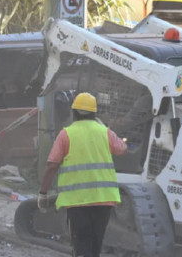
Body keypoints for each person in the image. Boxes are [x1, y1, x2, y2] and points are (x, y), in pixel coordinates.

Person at [38, 92, 127, 257]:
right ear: (94, 113)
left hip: (77, 200)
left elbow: (51, 166)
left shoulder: (66, 134)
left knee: (81, 241)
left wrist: (43, 194)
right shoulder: (105, 132)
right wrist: (105, 128)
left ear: (74, 113)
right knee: (96, 242)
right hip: (104, 199)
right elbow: (121, 148)